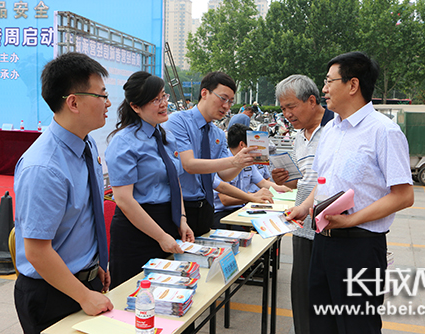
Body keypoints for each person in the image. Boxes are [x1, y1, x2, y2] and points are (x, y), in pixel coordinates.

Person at [286, 52, 414, 334]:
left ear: (353, 85)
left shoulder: (384, 132)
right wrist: (303, 206)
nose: (324, 89)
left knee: (358, 327)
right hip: (323, 243)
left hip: (360, 249)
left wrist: (351, 220)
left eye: (329, 81)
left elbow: (404, 195)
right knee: (321, 325)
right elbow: (323, 182)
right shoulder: (331, 130)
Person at [14, 52, 113, 333]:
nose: (107, 103)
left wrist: (96, 265)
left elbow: (84, 217)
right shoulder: (44, 167)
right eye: (101, 95)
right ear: (73, 102)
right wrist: (83, 295)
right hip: (52, 293)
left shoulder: (87, 144)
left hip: (85, 280)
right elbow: (37, 251)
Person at [105, 71, 194, 289]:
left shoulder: (166, 137)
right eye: (156, 100)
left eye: (164, 96)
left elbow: (175, 182)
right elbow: (124, 200)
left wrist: (181, 219)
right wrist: (161, 236)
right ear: (135, 106)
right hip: (137, 230)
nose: (164, 104)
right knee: (134, 297)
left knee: (169, 294)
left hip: (168, 224)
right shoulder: (124, 142)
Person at [271, 74, 334, 334]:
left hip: (326, 216)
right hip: (301, 218)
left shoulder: (334, 128)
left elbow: (329, 179)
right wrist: (284, 179)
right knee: (302, 289)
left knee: (323, 292)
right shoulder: (299, 136)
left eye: (291, 106)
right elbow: (301, 181)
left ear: (311, 100)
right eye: (283, 108)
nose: (286, 114)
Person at [163, 71, 256, 236]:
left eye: (230, 101)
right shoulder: (178, 121)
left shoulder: (218, 134)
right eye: (223, 98)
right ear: (204, 93)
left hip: (205, 207)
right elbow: (189, 165)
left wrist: (243, 161)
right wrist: (234, 161)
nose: (226, 106)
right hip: (179, 206)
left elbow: (225, 175)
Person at [213, 124, 292, 228]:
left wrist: (285, 188)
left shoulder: (248, 162)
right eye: (253, 144)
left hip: (243, 208)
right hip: (223, 213)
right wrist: (252, 197)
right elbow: (225, 200)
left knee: (274, 222)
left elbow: (263, 182)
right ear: (243, 145)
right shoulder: (222, 162)